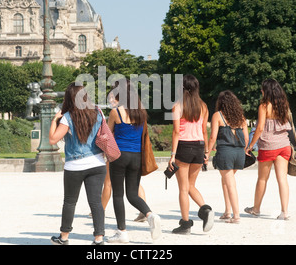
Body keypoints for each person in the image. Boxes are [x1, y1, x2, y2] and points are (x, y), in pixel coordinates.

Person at [48, 82, 107, 245]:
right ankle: (99, 238)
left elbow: (53, 139)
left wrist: (54, 120)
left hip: (75, 165)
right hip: (97, 163)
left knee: (69, 201)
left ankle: (64, 237)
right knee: (96, 202)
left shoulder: (67, 117)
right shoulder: (98, 112)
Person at [106, 79, 161, 243]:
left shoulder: (116, 112)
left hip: (119, 155)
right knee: (132, 194)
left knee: (118, 194)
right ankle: (150, 215)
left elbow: (108, 136)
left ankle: (121, 232)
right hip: (136, 156)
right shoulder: (141, 113)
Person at [168, 74, 213, 235]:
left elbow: (176, 132)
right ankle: (206, 209)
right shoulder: (204, 106)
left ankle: (185, 224)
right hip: (200, 147)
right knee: (191, 185)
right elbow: (203, 131)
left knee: (183, 188)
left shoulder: (178, 106)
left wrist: (172, 155)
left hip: (184, 147)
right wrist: (207, 151)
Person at [245, 79, 292, 220]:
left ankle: (256, 208)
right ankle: (284, 212)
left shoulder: (264, 106)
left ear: (266, 90)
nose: (261, 91)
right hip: (284, 145)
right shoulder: (284, 105)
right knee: (282, 179)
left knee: (262, 179)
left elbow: (259, 128)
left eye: (262, 89)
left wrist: (251, 145)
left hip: (268, 145)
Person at [207, 91, 249, 224]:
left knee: (230, 184)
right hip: (239, 153)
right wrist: (242, 150)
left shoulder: (217, 116)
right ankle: (227, 212)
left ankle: (236, 216)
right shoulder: (240, 117)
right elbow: (246, 138)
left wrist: (208, 152)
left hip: (226, 152)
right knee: (226, 180)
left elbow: (213, 136)